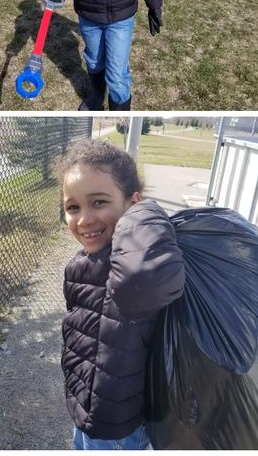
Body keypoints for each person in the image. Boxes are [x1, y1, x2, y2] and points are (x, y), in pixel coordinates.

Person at [55, 139, 185, 450]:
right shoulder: (80, 266)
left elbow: (143, 281)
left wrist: (143, 213)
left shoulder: (136, 265)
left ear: (132, 203)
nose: (84, 219)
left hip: (124, 431)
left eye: (99, 202)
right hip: (87, 414)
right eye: (73, 207)